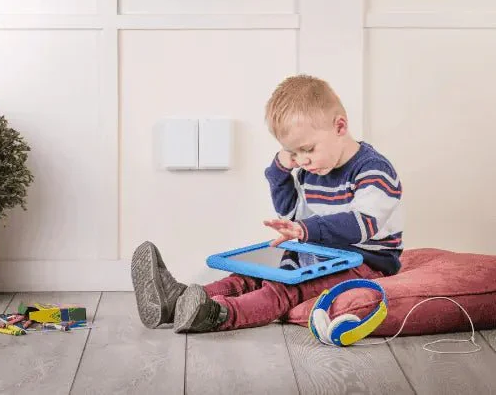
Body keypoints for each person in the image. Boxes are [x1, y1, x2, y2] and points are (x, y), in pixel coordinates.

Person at [131, 75, 403, 333]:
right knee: (247, 277)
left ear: (339, 127)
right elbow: (293, 214)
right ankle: (175, 300)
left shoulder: (373, 170)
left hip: (363, 261)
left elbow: (362, 223)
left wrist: (303, 230)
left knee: (285, 289)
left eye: (307, 149)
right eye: (294, 152)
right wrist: (280, 172)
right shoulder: (312, 169)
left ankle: (217, 314)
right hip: (319, 252)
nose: (303, 160)